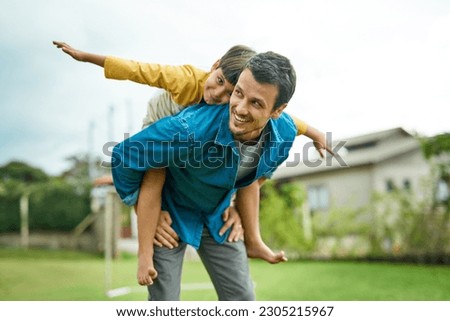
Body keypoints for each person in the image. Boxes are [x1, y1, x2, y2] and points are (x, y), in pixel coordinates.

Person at [53, 41, 332, 286]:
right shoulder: (187, 86)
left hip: (213, 203)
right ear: (215, 66)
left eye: (253, 102)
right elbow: (138, 70)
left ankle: (255, 242)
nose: (225, 100)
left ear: (275, 111)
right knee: (154, 172)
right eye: (233, 91)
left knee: (243, 162)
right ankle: (144, 252)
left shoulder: (277, 128)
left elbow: (288, 129)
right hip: (165, 138)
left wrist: (317, 134)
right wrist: (86, 56)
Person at [110, 51, 298, 300]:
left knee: (243, 299)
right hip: (170, 214)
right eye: (238, 93)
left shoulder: (284, 135)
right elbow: (126, 155)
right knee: (164, 302)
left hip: (217, 214)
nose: (240, 108)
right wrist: (142, 208)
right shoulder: (190, 129)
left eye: (256, 103)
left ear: (278, 110)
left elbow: (254, 178)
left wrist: (236, 207)